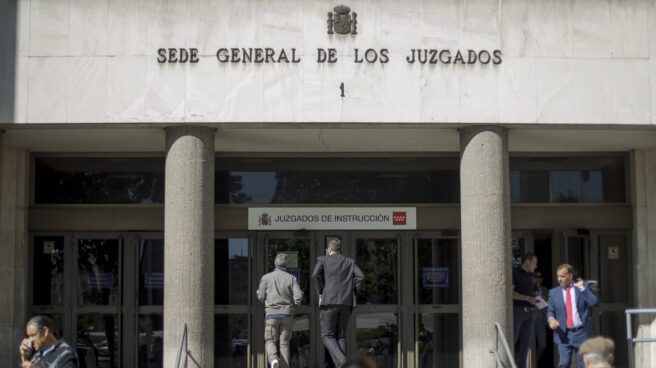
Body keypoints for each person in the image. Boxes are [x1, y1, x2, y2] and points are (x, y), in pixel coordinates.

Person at [312, 238, 365, 368]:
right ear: (341, 250)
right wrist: (354, 293)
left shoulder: (323, 260)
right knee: (340, 336)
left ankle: (343, 362)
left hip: (329, 301)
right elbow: (361, 276)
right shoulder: (349, 261)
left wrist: (320, 293)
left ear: (329, 250)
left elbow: (315, 275)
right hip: (346, 302)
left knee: (327, 336)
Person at [547, 264, 599, 368]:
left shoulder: (581, 288)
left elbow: (594, 302)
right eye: (558, 276)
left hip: (581, 332)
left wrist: (583, 288)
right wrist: (551, 319)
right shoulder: (553, 292)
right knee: (564, 363)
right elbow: (550, 311)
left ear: (570, 276)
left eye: (562, 276)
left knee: (583, 364)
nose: (559, 279)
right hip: (563, 333)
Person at [257, 253, 304, 368]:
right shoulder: (291, 278)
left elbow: (261, 297)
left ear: (275, 263)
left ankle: (273, 359)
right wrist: (296, 305)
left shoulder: (266, 278)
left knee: (270, 340)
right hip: (287, 314)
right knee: (284, 343)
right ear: (286, 264)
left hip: (271, 315)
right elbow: (298, 296)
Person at [512, 252, 538, 368]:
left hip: (531, 312)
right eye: (534, 263)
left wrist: (536, 297)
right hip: (518, 310)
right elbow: (510, 293)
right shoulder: (514, 273)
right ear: (527, 261)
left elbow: (535, 292)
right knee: (513, 338)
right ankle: (509, 363)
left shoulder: (531, 276)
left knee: (526, 342)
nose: (535, 266)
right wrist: (527, 298)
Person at [533, 270, 549, 362]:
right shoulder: (528, 287)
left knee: (542, 344)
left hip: (540, 319)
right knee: (529, 343)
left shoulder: (544, 289)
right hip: (529, 319)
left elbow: (547, 304)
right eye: (536, 276)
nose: (537, 279)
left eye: (539, 277)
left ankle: (535, 361)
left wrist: (539, 292)